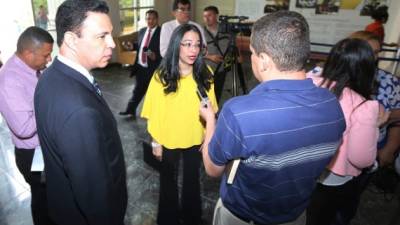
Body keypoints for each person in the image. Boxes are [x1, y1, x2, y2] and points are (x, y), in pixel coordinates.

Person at [199, 11, 346, 225]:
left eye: (252, 52)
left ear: (264, 61)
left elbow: (212, 169)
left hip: (242, 217)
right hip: (295, 216)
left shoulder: (239, 112)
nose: (250, 58)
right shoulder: (332, 105)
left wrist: (210, 120)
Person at [34, 1, 127, 225]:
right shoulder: (80, 111)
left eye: (111, 34)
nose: (112, 44)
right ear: (71, 40)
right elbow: (94, 197)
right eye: (102, 36)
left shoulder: (49, 76)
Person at [141, 24, 218, 225]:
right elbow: (152, 111)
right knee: (168, 181)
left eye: (197, 45)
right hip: (168, 137)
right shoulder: (162, 75)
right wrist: (156, 142)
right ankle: (168, 219)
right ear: (177, 45)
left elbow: (211, 110)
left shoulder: (205, 73)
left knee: (193, 180)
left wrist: (208, 136)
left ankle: (192, 216)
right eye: (187, 44)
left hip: (195, 138)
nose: (193, 50)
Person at [305, 38, 388, 225]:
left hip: (301, 165)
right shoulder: (364, 106)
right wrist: (377, 126)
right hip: (334, 176)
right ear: (367, 67)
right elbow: (361, 158)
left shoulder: (309, 82)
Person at [0, 26, 54, 225]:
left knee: (51, 195)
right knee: (43, 200)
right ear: (28, 53)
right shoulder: (9, 80)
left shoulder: (33, 67)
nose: (49, 59)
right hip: (33, 155)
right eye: (46, 55)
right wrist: (52, 106)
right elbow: (24, 128)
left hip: (42, 147)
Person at [119, 9, 162, 119]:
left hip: (153, 69)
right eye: (148, 18)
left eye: (152, 19)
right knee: (137, 91)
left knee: (154, 94)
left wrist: (155, 56)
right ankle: (130, 110)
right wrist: (131, 46)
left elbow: (164, 51)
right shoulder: (142, 30)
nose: (150, 21)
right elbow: (140, 45)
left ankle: (155, 115)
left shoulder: (162, 33)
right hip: (140, 68)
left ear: (157, 20)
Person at [202, 6, 231, 103]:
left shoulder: (226, 30)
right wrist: (210, 57)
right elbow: (195, 51)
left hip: (223, 70)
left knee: (219, 95)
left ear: (216, 16)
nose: (206, 18)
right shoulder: (200, 32)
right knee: (206, 96)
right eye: (204, 16)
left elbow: (231, 46)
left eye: (209, 15)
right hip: (206, 70)